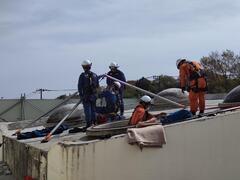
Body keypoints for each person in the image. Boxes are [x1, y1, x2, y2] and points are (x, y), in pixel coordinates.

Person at [78, 60, 99, 128]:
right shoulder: (95, 75)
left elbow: (79, 86)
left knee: (87, 110)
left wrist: (81, 95)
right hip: (94, 95)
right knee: (93, 109)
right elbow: (97, 86)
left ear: (83, 67)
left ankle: (88, 124)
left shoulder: (82, 75)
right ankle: (95, 122)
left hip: (86, 96)